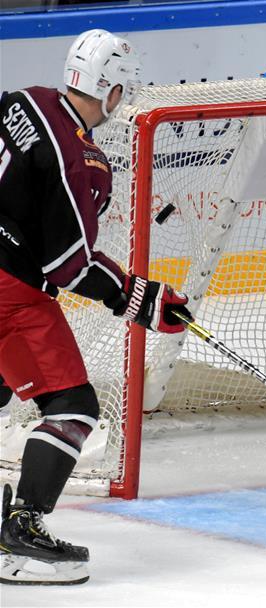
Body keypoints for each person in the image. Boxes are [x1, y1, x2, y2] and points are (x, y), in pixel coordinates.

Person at [0, 29, 192, 585]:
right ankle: (21, 538)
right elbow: (69, 266)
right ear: (109, 91)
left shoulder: (25, 99)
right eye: (122, 91)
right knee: (72, 406)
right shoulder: (78, 158)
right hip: (8, 286)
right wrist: (143, 298)